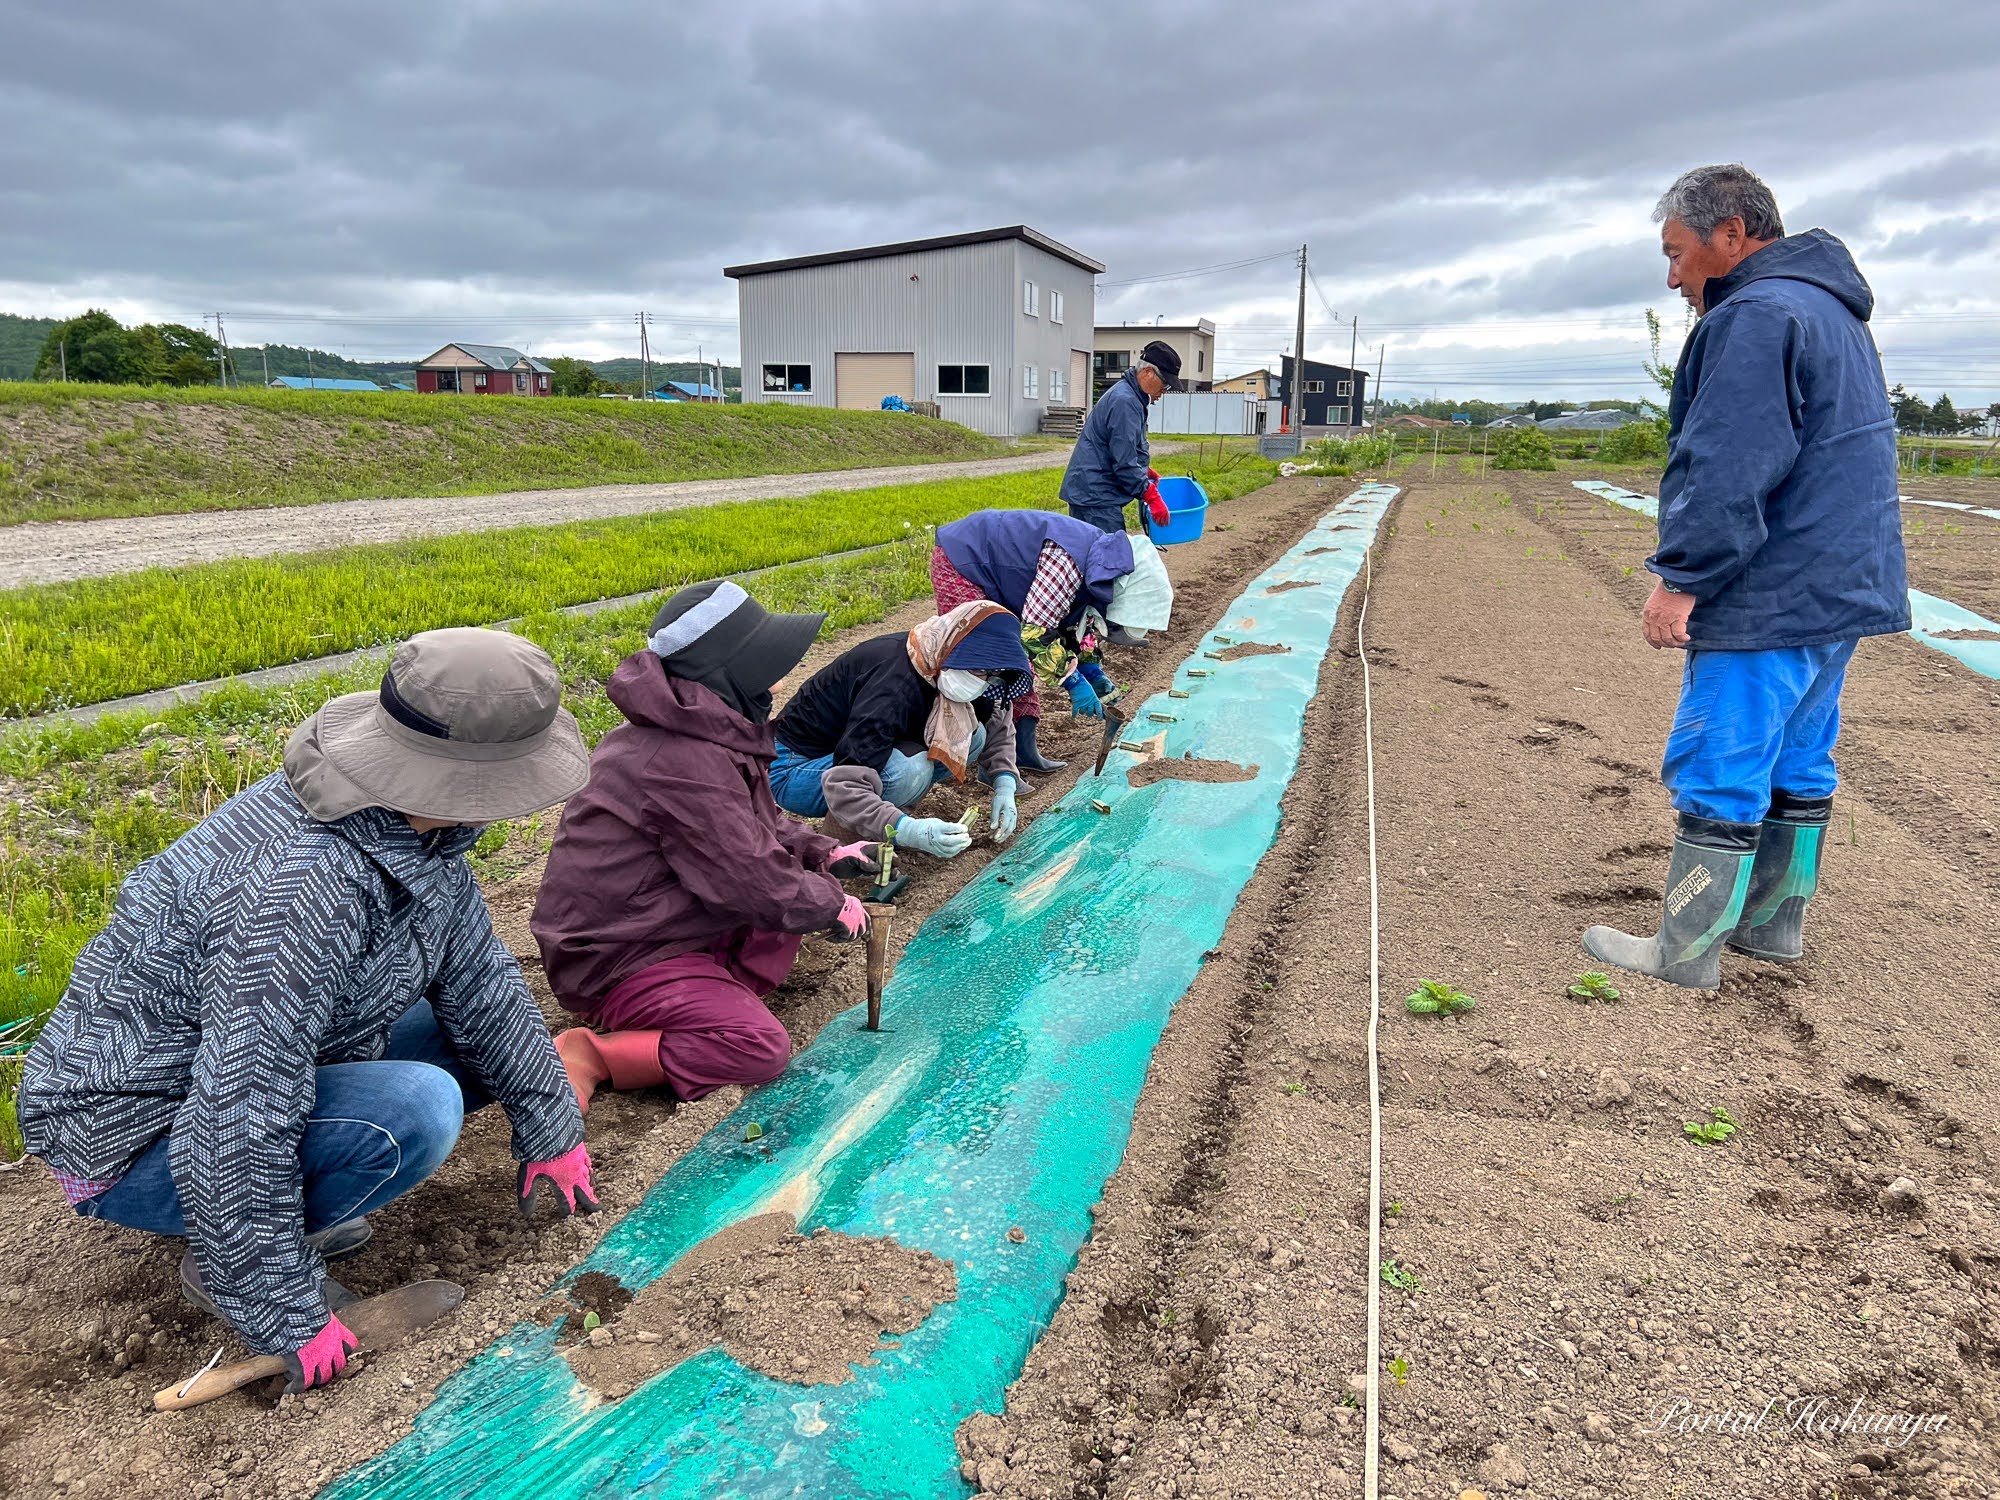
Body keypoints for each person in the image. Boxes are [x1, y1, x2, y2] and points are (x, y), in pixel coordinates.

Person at [18, 628, 597, 1393]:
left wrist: (551, 1125)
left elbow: (481, 979)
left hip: (249, 1062)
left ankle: (282, 1210)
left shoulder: (418, 831)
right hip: (135, 1131)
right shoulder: (301, 891)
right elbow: (239, 1104)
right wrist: (280, 1307)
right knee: (418, 1108)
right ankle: (222, 1258)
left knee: (473, 1045)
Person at [1582, 163, 1908, 990]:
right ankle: (1771, 926)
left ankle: (1685, 952)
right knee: (1801, 757)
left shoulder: (1756, 317)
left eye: (1678, 252)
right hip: (1840, 589)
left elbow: (1727, 465)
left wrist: (1681, 579)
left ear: (1730, 234)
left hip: (1770, 590)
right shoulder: (1830, 310)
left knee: (1721, 757)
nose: (1673, 275)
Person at [529, 581, 884, 1115]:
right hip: (620, 953)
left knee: (787, 909)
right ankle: (596, 1053)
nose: (777, 679)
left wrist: (822, 853)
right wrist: (829, 904)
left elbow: (749, 826)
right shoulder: (680, 759)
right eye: (764, 663)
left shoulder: (706, 732)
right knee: (758, 1046)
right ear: (725, 672)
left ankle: (703, 995)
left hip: (665, 921)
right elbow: (746, 874)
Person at [768, 600, 1033, 858]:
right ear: (954, 650)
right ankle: (846, 846)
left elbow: (996, 720)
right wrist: (908, 830)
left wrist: (1004, 783)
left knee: (974, 736)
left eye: (991, 675)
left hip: (844, 756)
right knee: (909, 769)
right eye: (978, 670)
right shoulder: (893, 685)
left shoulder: (946, 665)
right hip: (794, 768)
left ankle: (888, 816)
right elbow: (845, 782)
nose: (983, 682)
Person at [930, 508, 1176, 770]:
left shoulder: (1104, 567)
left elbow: (1078, 621)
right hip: (964, 561)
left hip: (1006, 579)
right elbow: (1035, 636)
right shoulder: (1068, 565)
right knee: (990, 660)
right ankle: (990, 764)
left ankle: (1023, 752)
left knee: (1016, 661)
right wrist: (1073, 681)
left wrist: (1092, 670)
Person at [1060, 339, 1182, 594]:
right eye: (1166, 383)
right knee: (1109, 562)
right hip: (1095, 496)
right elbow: (1124, 462)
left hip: (1093, 491)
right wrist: (1150, 494)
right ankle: (1108, 624)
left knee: (1092, 560)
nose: (1165, 391)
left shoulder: (1129, 396)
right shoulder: (1125, 401)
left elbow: (1119, 448)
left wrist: (1143, 469)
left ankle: (1083, 624)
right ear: (1148, 373)